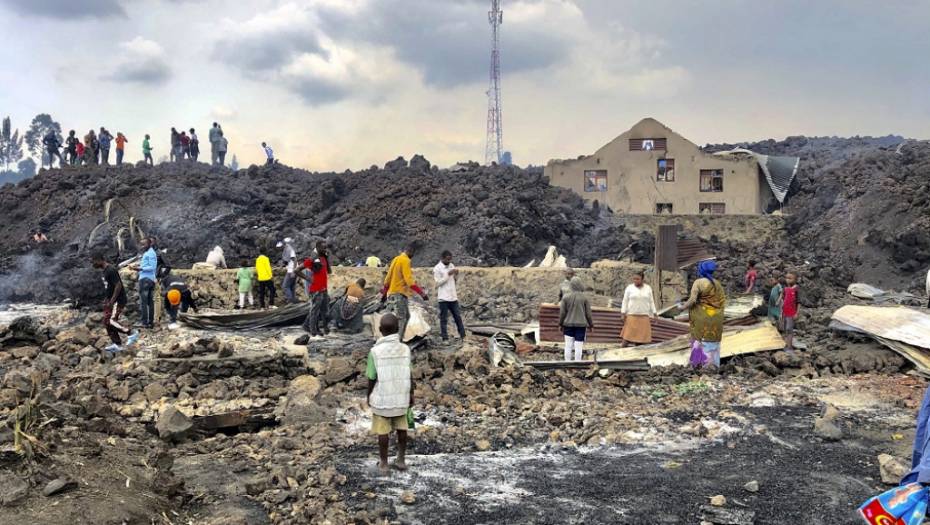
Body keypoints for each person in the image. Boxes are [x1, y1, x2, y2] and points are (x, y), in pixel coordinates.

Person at [366, 313, 414, 474]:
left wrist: (368, 395)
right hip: (401, 396)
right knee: (402, 429)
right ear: (398, 329)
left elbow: (372, 377)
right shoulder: (405, 349)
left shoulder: (375, 352)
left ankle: (384, 463)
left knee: (383, 431)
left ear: (379, 330)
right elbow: (409, 374)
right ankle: (400, 459)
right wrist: (411, 394)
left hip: (382, 399)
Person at [679, 261, 727, 368]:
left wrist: (681, 308)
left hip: (701, 319)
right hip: (715, 319)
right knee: (712, 341)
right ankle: (712, 367)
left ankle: (696, 366)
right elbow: (721, 301)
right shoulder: (717, 284)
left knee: (698, 341)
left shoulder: (698, 283)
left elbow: (692, 300)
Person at [91, 253, 139, 351]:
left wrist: (112, 301)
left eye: (93, 262)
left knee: (111, 321)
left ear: (99, 260)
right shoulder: (105, 271)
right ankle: (117, 344)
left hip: (118, 300)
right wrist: (107, 300)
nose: (92, 264)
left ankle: (131, 332)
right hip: (110, 300)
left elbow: (118, 286)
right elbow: (109, 287)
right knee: (107, 322)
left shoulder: (111, 270)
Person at [382, 243, 429, 341]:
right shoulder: (406, 261)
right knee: (401, 319)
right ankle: (397, 341)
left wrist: (384, 294)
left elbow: (387, 279)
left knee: (406, 316)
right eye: (413, 254)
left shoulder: (396, 259)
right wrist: (421, 293)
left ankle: (397, 338)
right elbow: (408, 280)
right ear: (410, 252)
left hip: (392, 293)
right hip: (399, 294)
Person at [296, 241, 332, 337]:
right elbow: (297, 270)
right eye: (323, 248)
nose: (325, 250)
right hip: (315, 289)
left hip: (323, 289)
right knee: (315, 311)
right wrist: (308, 279)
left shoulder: (323, 259)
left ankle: (311, 327)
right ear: (318, 248)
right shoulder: (311, 260)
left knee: (322, 310)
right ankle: (311, 329)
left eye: (326, 248)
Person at [559, 276, 594, 362]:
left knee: (568, 345)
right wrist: (591, 325)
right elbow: (588, 314)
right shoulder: (584, 298)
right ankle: (578, 365)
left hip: (568, 324)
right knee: (579, 346)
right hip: (581, 325)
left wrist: (560, 324)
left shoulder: (565, 297)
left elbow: (562, 313)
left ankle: (567, 365)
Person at [433, 250, 466, 342]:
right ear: (442, 258)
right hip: (443, 298)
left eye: (451, 259)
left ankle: (463, 335)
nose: (450, 261)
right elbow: (438, 283)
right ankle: (445, 338)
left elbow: (454, 279)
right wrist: (448, 274)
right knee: (443, 319)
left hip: (453, 297)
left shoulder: (451, 266)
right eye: (448, 259)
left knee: (458, 317)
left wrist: (456, 273)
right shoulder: (437, 268)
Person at [620, 271, 658, 347]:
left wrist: (655, 314)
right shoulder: (629, 288)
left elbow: (651, 301)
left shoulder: (648, 288)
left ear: (642, 279)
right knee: (627, 337)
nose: (635, 281)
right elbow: (625, 301)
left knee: (640, 340)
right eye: (634, 279)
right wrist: (623, 313)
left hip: (643, 316)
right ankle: (620, 354)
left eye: (637, 279)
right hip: (632, 315)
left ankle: (637, 355)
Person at [130, 237, 158, 329]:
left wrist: (139, 269)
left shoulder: (150, 253)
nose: (142, 246)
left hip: (146, 279)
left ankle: (145, 323)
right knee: (150, 302)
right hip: (150, 279)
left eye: (144, 244)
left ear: (150, 244)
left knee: (144, 302)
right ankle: (150, 323)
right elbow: (147, 265)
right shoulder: (149, 253)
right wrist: (137, 267)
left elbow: (152, 267)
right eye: (141, 244)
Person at [782, 272, 801, 353]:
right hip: (785, 312)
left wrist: (797, 313)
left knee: (790, 330)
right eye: (787, 278)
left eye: (790, 278)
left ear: (795, 280)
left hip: (791, 313)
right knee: (786, 329)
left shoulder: (796, 288)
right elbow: (784, 301)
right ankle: (787, 344)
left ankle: (789, 348)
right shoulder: (786, 289)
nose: (788, 280)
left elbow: (799, 302)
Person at [278, 239, 298, 304]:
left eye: (280, 246)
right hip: (291, 269)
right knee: (291, 286)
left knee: (285, 286)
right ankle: (293, 300)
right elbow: (287, 261)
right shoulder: (285, 250)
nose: (279, 248)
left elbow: (295, 260)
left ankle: (290, 300)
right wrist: (282, 266)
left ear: (284, 245)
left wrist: (294, 271)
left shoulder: (289, 250)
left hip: (292, 270)